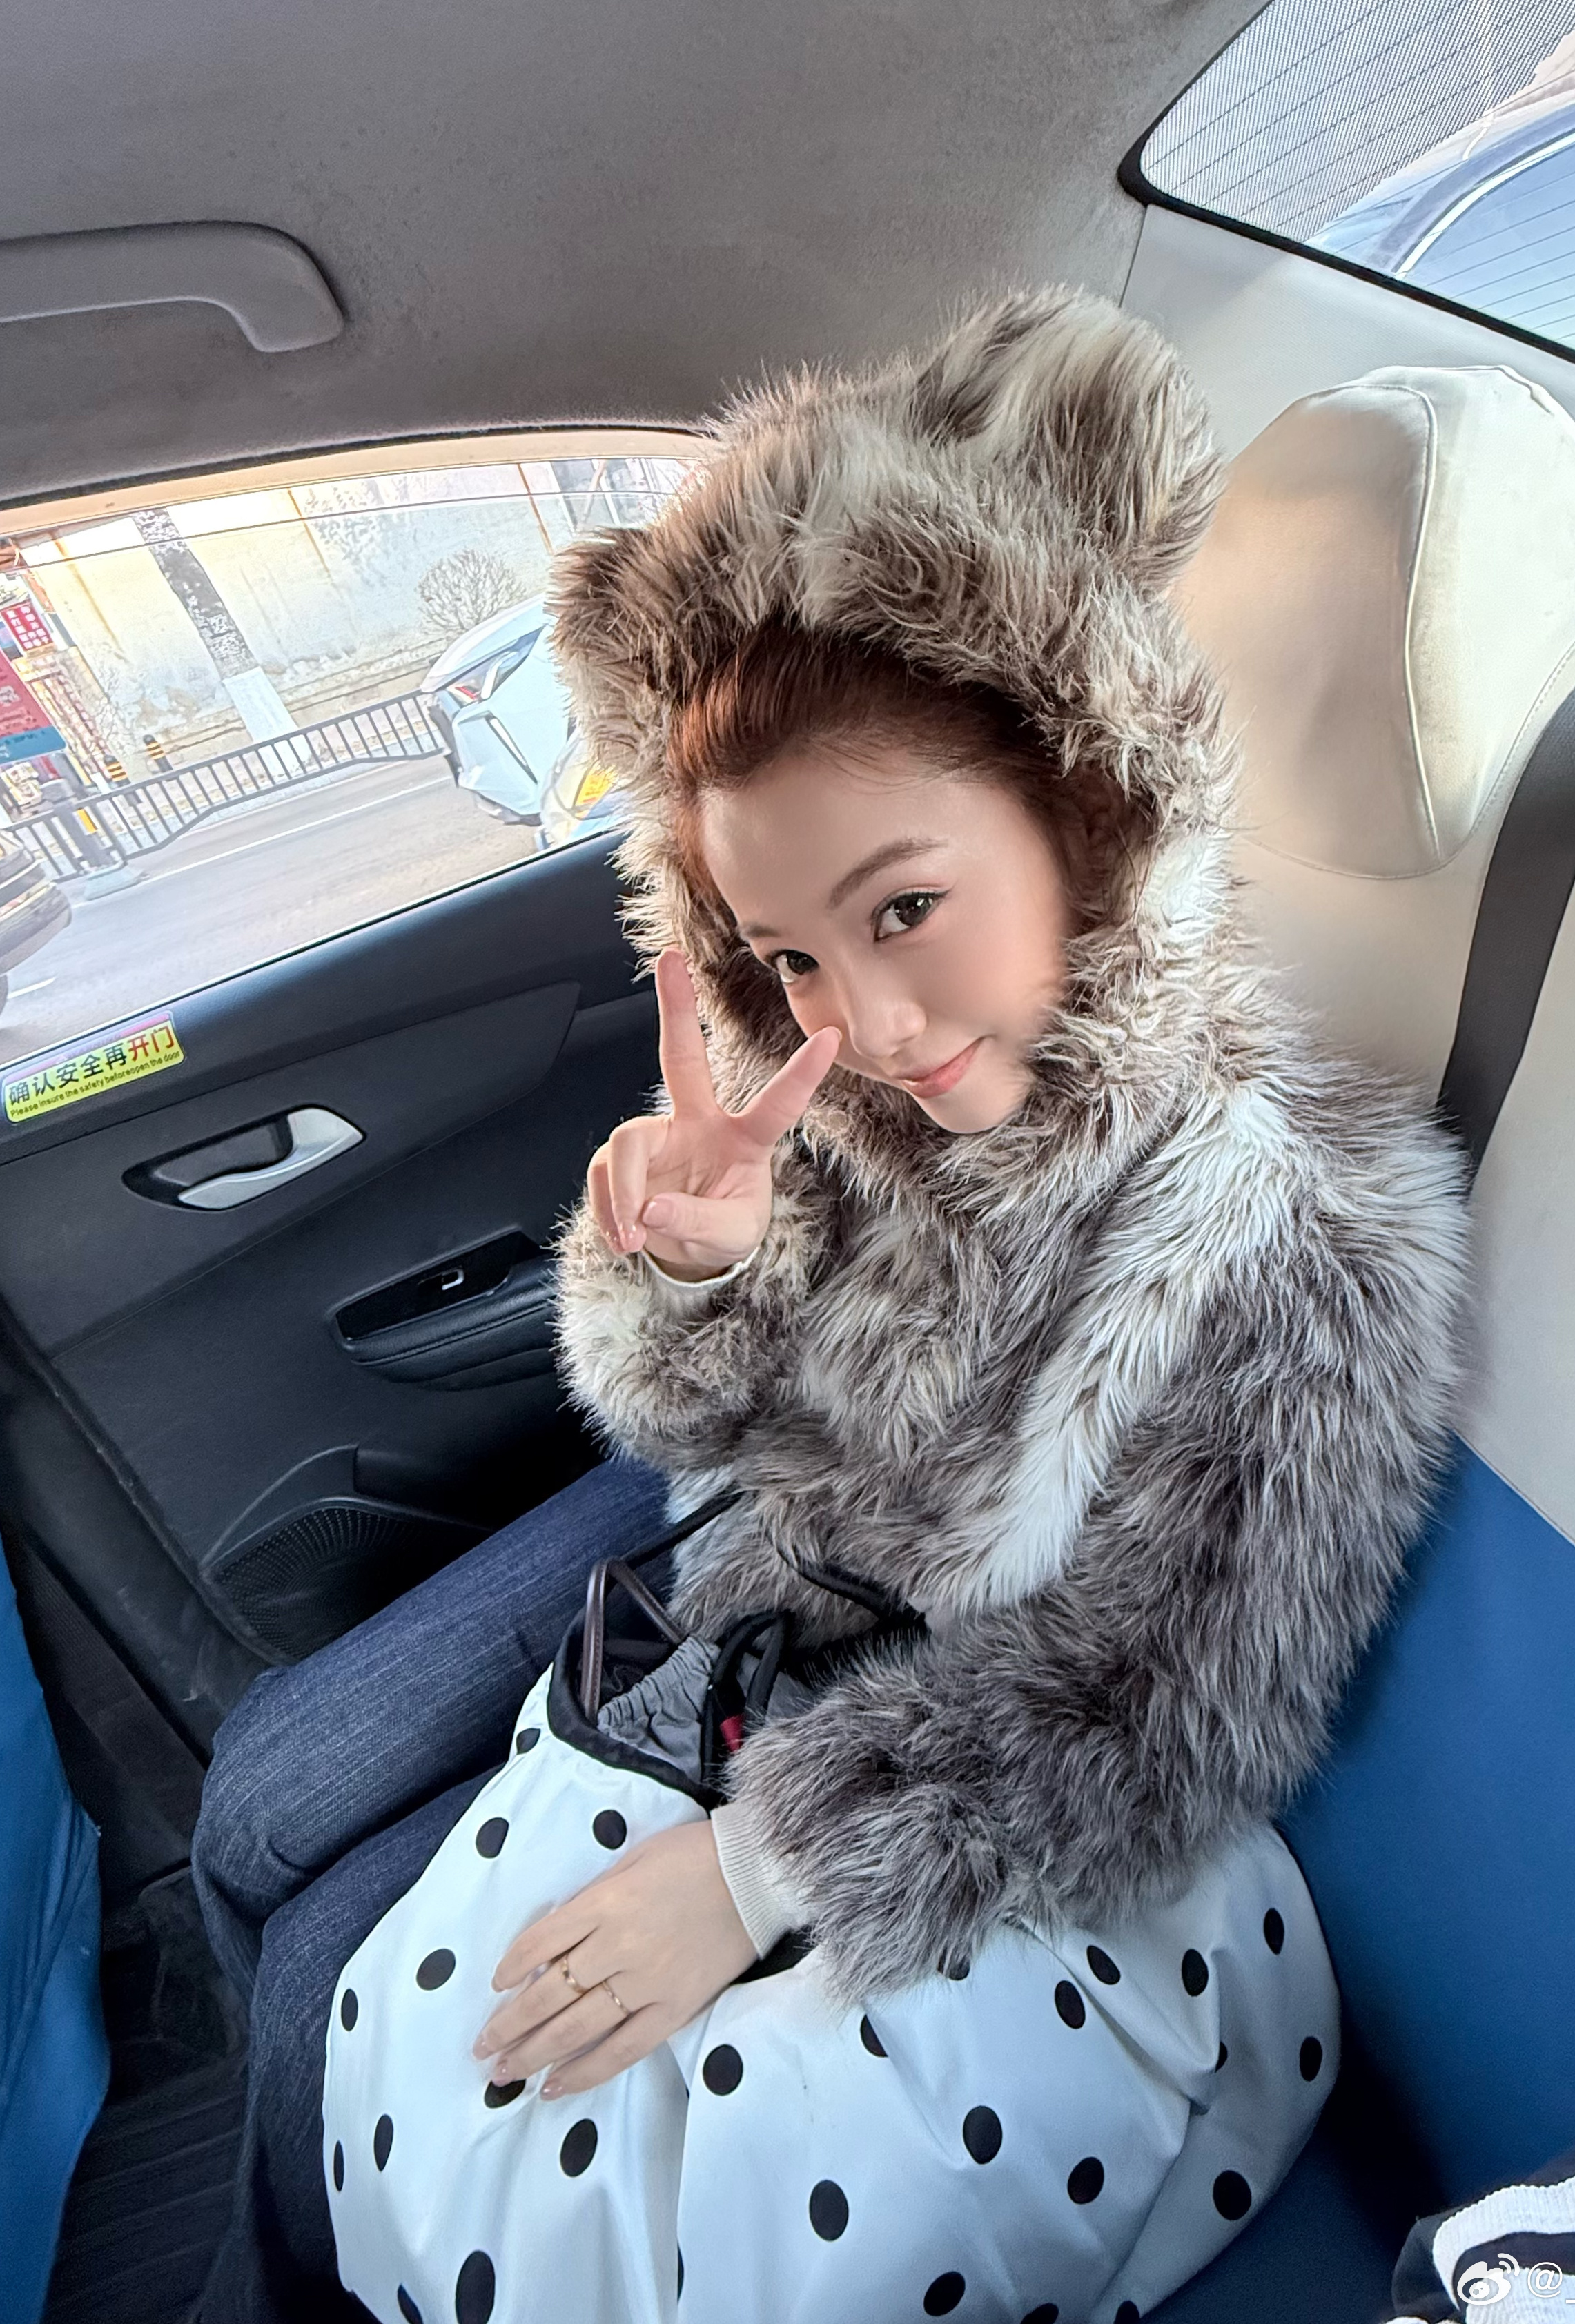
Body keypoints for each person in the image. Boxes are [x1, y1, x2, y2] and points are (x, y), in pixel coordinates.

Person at [193, 289, 1466, 2324]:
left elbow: (1155, 1711)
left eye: (905, 909)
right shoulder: (839, 1108)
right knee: (273, 1838)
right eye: (789, 954)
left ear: (1089, 806)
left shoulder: (1292, 1241)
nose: (859, 1018)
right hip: (749, 1609)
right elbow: (698, 1430)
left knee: (358, 1991)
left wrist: (755, 1871)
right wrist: (678, 1268)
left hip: (959, 1781)